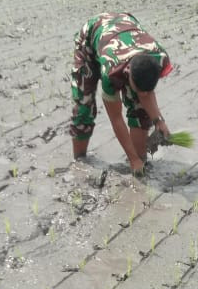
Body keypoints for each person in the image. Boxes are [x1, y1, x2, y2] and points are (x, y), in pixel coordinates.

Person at [69, 12, 174, 176]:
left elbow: (146, 93)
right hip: (91, 38)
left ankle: (141, 161)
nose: (144, 94)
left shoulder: (160, 58)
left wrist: (159, 121)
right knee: (84, 108)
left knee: (140, 111)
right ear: (128, 73)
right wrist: (133, 159)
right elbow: (116, 118)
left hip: (125, 27)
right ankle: (79, 161)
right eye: (138, 89)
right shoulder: (111, 71)